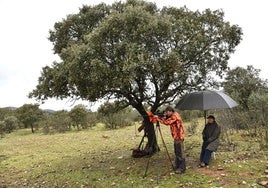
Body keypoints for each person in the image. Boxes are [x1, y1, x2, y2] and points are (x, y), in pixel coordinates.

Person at [155, 106, 186, 174]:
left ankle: (182, 168)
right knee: (177, 152)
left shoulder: (175, 116)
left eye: (167, 112)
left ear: (170, 111)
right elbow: (167, 119)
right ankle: (177, 165)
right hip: (176, 137)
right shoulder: (173, 115)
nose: (166, 114)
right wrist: (161, 117)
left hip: (179, 137)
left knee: (180, 153)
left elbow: (167, 122)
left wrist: (158, 119)